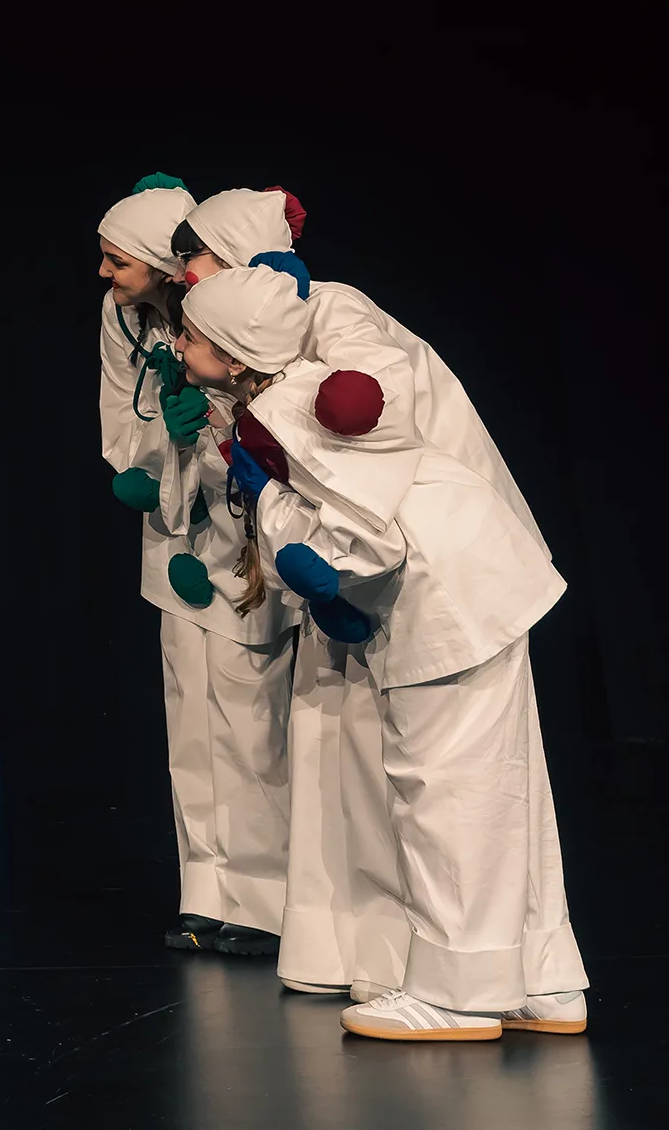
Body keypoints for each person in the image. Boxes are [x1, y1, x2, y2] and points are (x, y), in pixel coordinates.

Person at [181, 260, 587, 1041]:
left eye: (192, 337)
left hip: (444, 599)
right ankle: (541, 981)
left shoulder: (287, 413)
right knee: (503, 792)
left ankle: (458, 998)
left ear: (234, 356)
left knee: (442, 793)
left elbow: (366, 542)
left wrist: (276, 512)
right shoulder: (298, 393)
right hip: (480, 578)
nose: (179, 344)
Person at [98, 175, 298, 956]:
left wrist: (207, 439)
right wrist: (156, 457)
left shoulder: (236, 316)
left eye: (119, 260)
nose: (105, 275)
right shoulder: (125, 316)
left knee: (248, 718)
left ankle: (265, 896)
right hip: (176, 530)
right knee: (190, 716)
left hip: (243, 538)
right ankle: (207, 890)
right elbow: (122, 417)